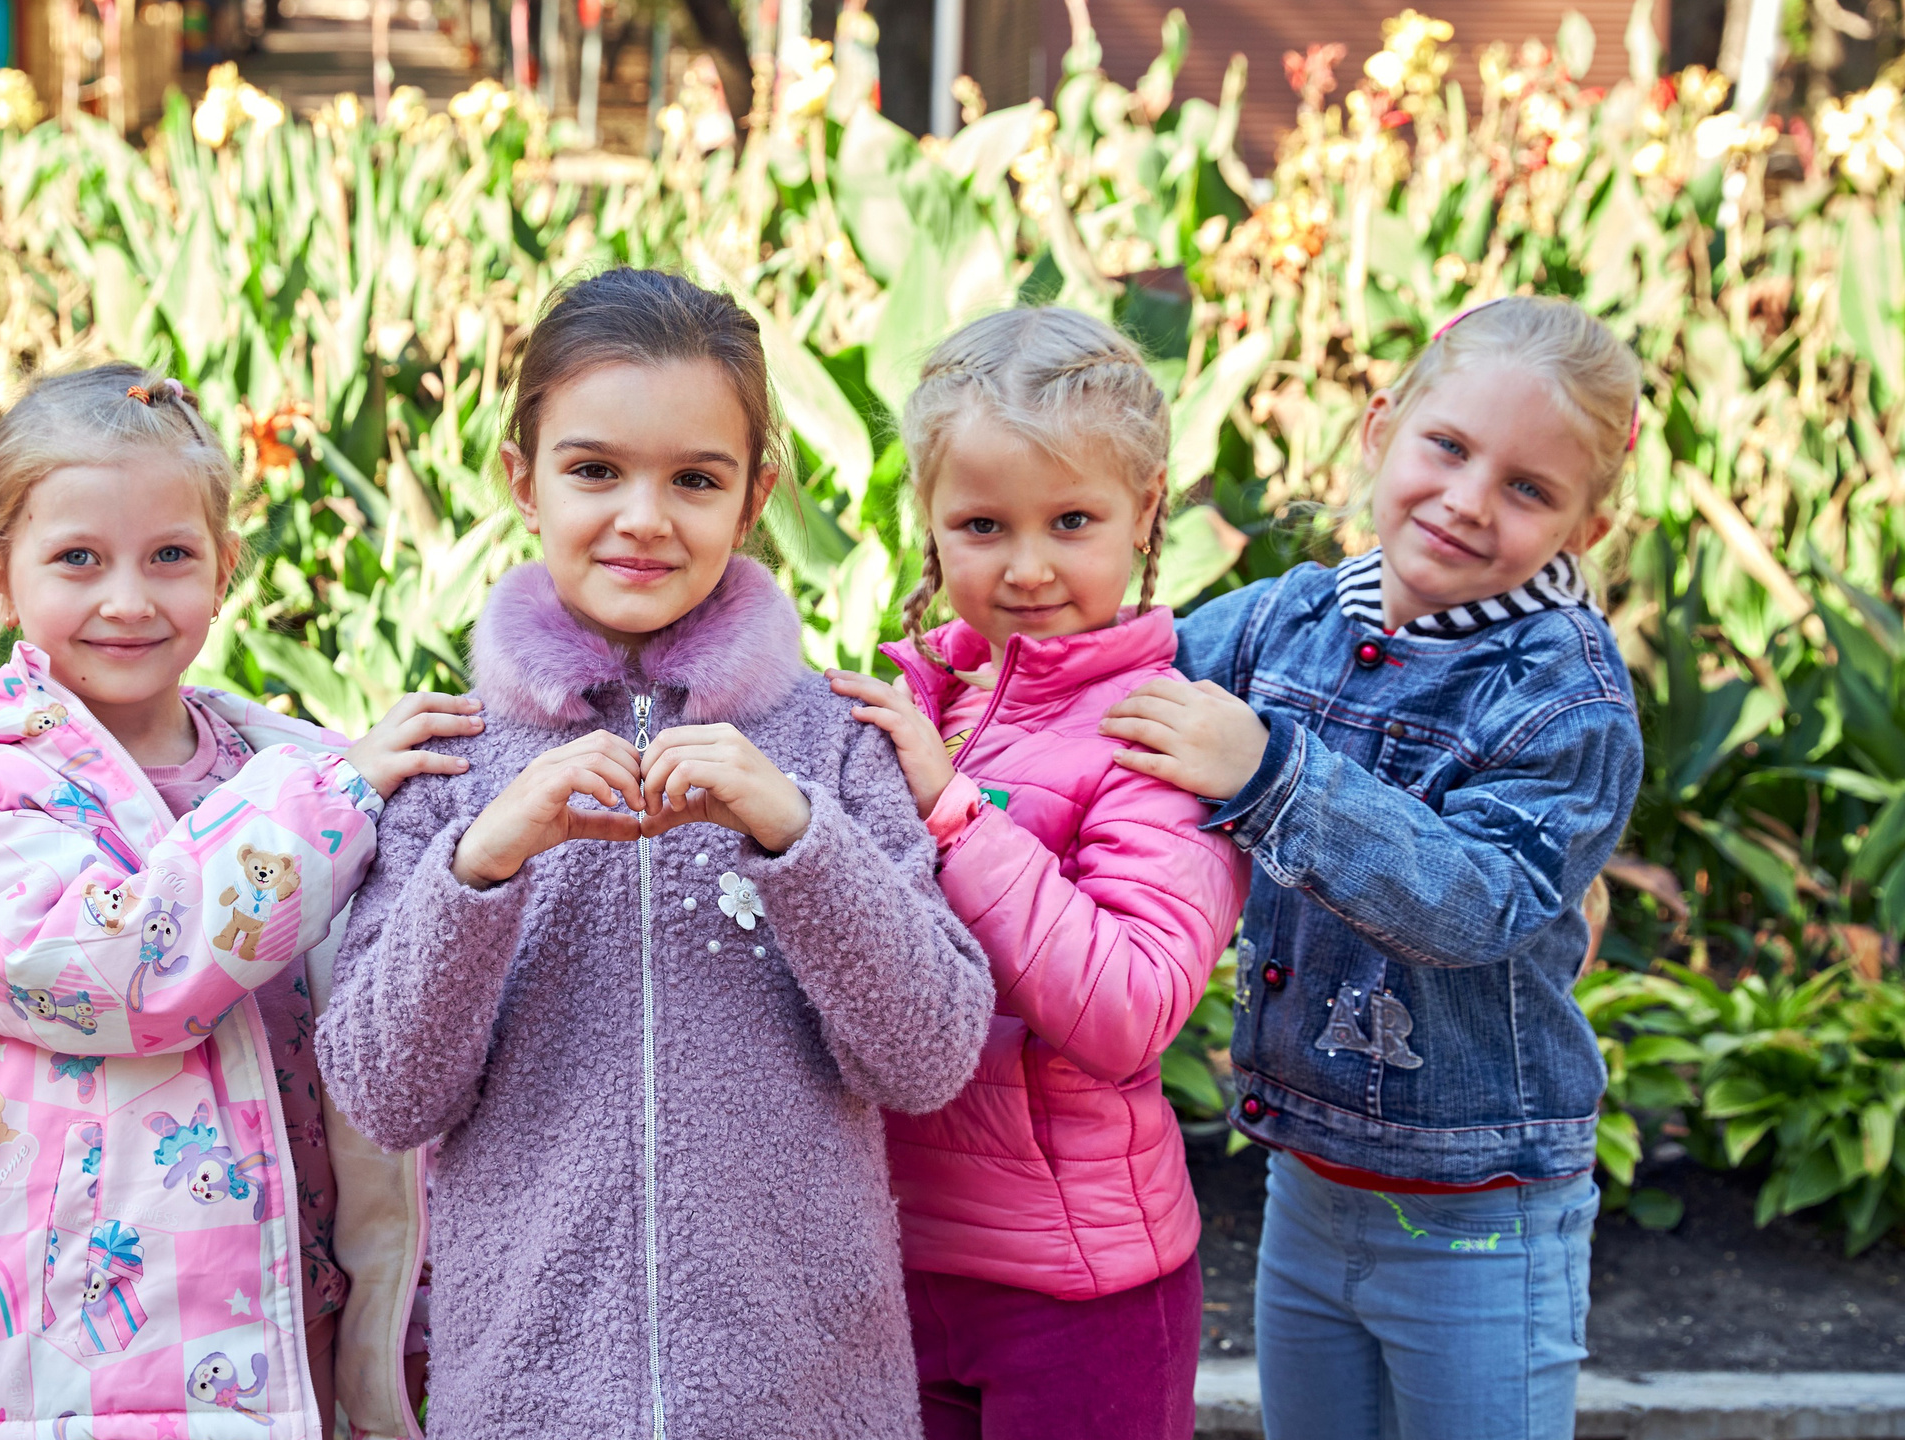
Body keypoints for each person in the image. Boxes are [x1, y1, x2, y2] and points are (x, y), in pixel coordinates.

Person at [314, 268, 996, 1438]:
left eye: (694, 478)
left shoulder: (834, 744)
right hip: (533, 1401)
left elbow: (928, 1056)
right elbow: (385, 1091)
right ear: (520, 480)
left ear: (754, 494)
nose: (644, 516)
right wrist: (483, 867)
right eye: (594, 470)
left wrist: (797, 838)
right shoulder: (450, 760)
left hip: (800, 1400)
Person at [0, 364, 466, 1438]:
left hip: (290, 1301)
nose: (129, 598)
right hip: (91, 1358)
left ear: (225, 569)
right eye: (79, 561)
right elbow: (125, 974)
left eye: (171, 557)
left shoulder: (281, 759)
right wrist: (343, 795)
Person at [1101, 295, 1644, 1439]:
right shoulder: (1281, 623)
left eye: (1528, 489)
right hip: (1310, 1181)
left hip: (1483, 1211)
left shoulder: (1563, 697)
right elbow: (1112, 692)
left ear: (1583, 529)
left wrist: (1269, 776)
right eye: (1446, 447)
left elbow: (1476, 901)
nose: (1466, 501)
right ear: (1379, 427)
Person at [828, 306, 1247, 1440]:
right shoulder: (913, 711)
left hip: (1079, 1294)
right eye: (979, 523)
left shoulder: (1159, 734)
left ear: (1144, 510)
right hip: (900, 1262)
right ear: (927, 521)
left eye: (1071, 520)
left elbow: (1126, 1012)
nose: (1025, 567)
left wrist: (954, 818)